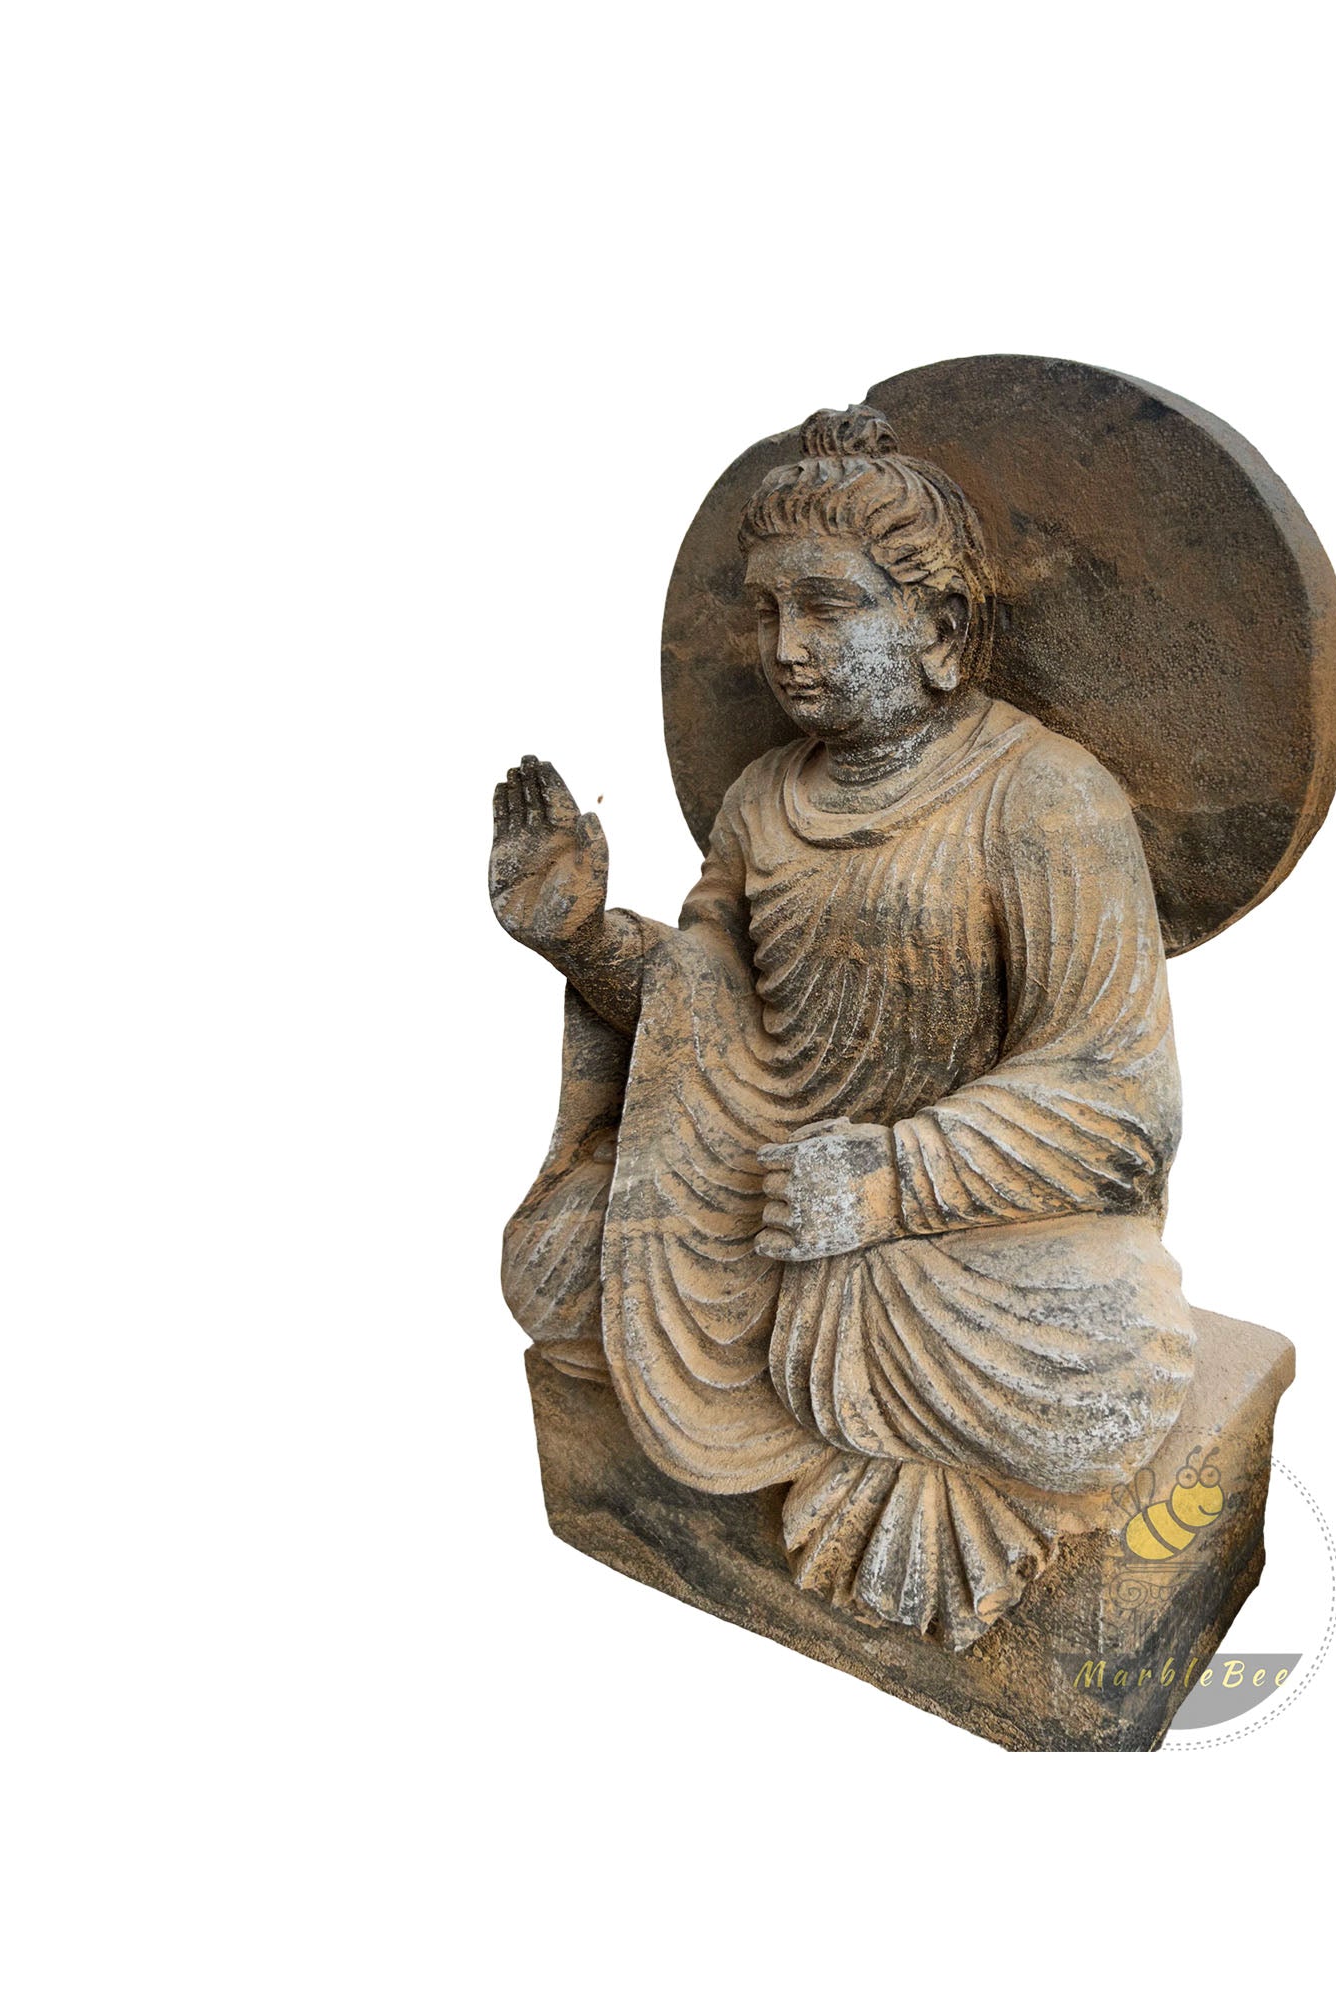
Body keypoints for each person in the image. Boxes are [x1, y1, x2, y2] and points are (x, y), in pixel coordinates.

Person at [489, 404, 1196, 1647]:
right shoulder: (762, 798)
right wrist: (581, 936)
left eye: (826, 606)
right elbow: (706, 1012)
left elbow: (1119, 1100)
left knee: (1111, 1362)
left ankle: (892, 1431)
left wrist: (894, 1176)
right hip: (762, 1196)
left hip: (957, 1247)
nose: (785, 649)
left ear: (942, 629)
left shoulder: (1045, 798)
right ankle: (839, 1393)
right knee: (549, 1264)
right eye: (765, 611)